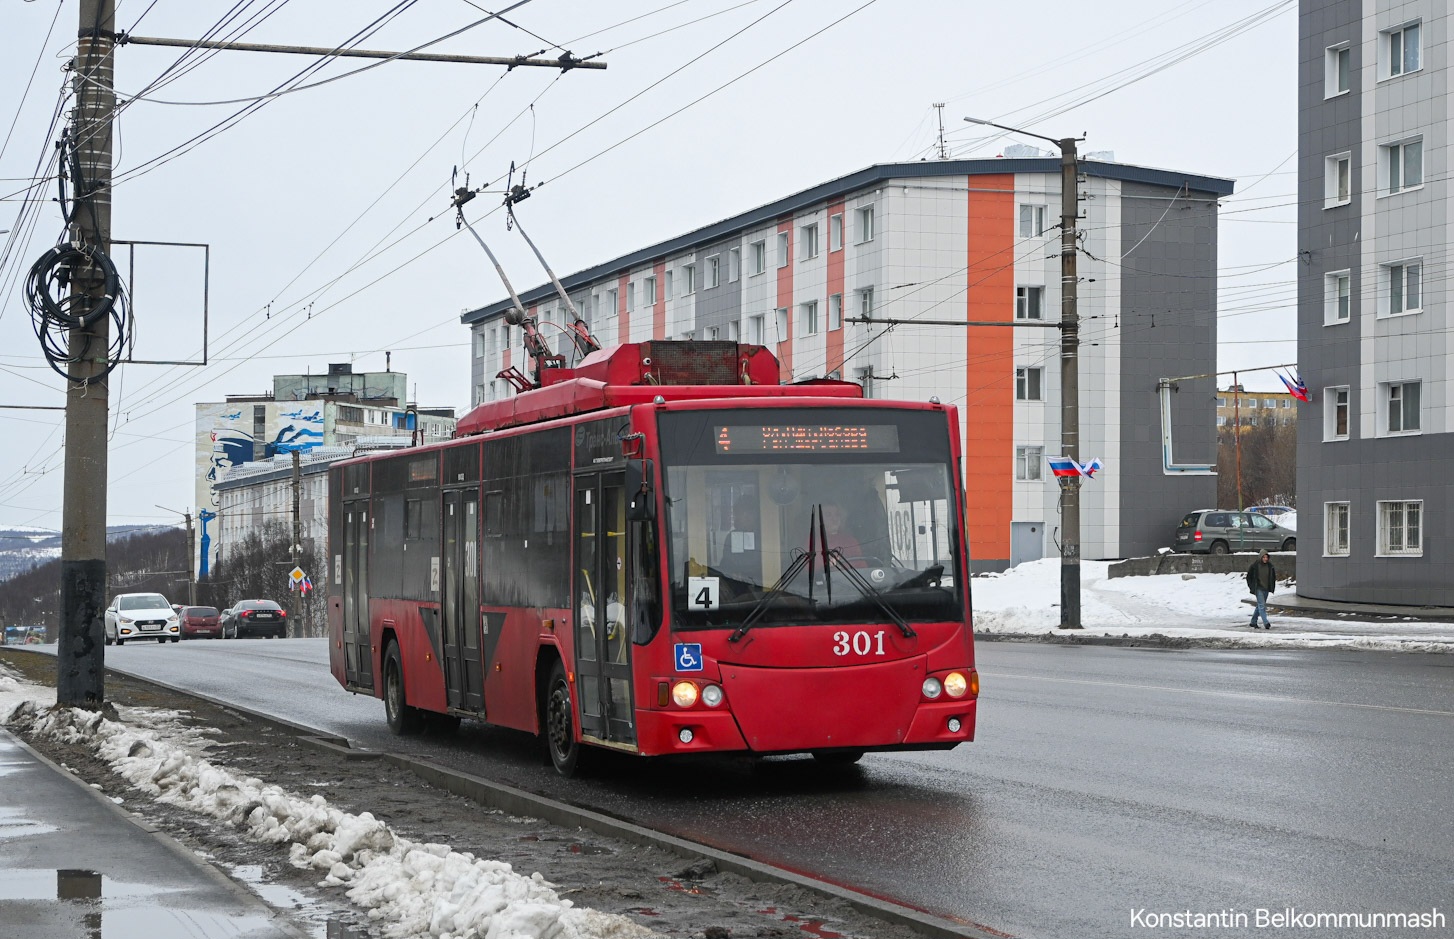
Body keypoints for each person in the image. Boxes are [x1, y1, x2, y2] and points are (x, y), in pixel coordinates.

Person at [1246, 550, 1276, 629]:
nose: (1265, 559)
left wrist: (1271, 586)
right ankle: (1266, 623)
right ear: (1261, 557)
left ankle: (1253, 622)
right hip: (1258, 588)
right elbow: (1249, 577)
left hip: (1266, 588)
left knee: (1259, 606)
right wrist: (1252, 587)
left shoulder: (1270, 566)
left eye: (1266, 557)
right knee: (1262, 606)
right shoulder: (1255, 566)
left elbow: (1272, 577)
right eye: (1264, 557)